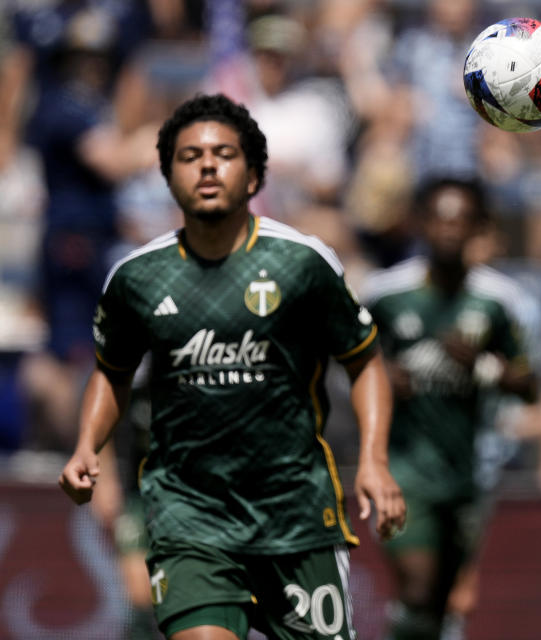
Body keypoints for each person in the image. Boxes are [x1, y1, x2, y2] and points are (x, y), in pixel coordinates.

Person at [58, 93, 406, 640]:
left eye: (224, 153)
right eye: (189, 156)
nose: (207, 166)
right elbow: (112, 372)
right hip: (188, 517)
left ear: (254, 174)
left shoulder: (303, 262)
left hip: (295, 517)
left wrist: (374, 461)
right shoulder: (136, 278)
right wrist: (87, 445)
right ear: (168, 176)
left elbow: (365, 362)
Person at [362, 178, 540, 640]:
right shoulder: (385, 294)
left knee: (442, 605)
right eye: (439, 219)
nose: (448, 230)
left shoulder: (498, 302)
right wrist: (381, 378)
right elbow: (345, 361)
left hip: (465, 474)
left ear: (478, 228)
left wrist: (483, 367)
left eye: (460, 220)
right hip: (402, 467)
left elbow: (529, 385)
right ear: (421, 223)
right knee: (418, 590)